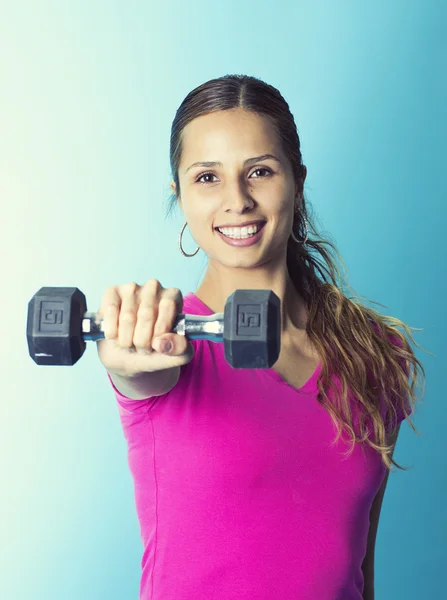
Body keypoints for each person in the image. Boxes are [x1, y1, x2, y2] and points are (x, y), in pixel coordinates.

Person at [96, 75, 425, 600]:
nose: (237, 201)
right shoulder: (167, 343)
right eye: (208, 178)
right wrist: (123, 352)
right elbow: (132, 367)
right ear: (179, 196)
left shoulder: (377, 354)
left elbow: (359, 569)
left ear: (296, 180)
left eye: (260, 172)